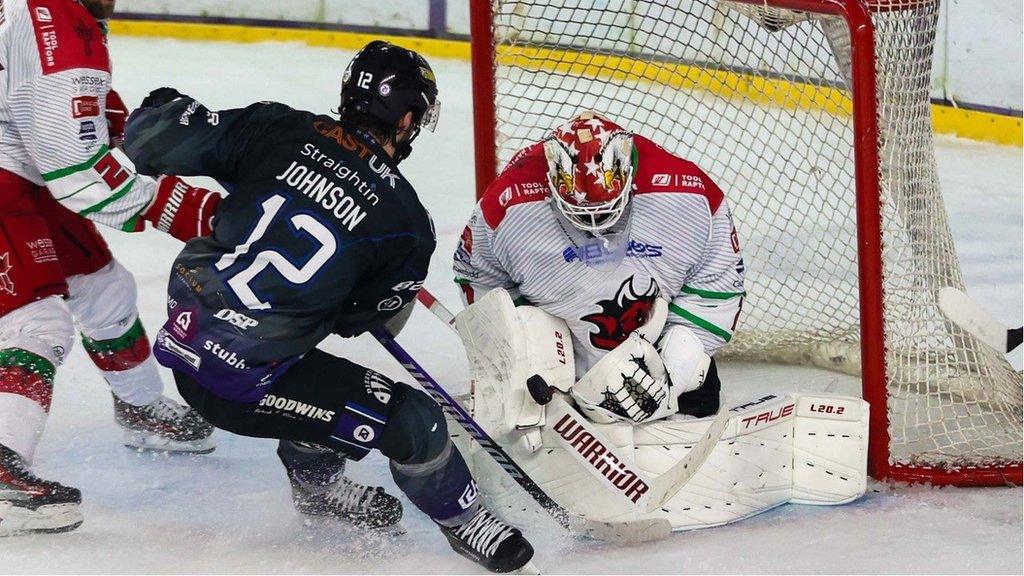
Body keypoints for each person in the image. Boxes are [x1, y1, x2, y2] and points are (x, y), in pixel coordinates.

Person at [119, 41, 535, 574]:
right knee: (419, 422)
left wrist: (163, 104)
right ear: (407, 118)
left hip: (184, 340)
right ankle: (466, 520)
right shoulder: (407, 222)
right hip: (243, 382)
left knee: (315, 377)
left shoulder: (279, 128)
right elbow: (358, 320)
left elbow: (151, 139)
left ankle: (320, 493)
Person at [0, 0, 221, 536]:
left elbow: (47, 109)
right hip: (14, 179)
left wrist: (124, 128)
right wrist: (188, 209)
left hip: (23, 168)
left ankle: (141, 408)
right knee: (35, 322)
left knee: (105, 290)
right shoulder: (54, 28)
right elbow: (82, 177)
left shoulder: (46, 14)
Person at [453, 111, 745, 425]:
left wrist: (670, 371)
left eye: (606, 211)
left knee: (694, 363)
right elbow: (477, 276)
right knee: (522, 329)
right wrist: (529, 358)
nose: (595, 226)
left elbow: (718, 285)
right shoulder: (509, 203)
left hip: (655, 351)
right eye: (580, 214)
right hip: (567, 366)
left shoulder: (687, 194)